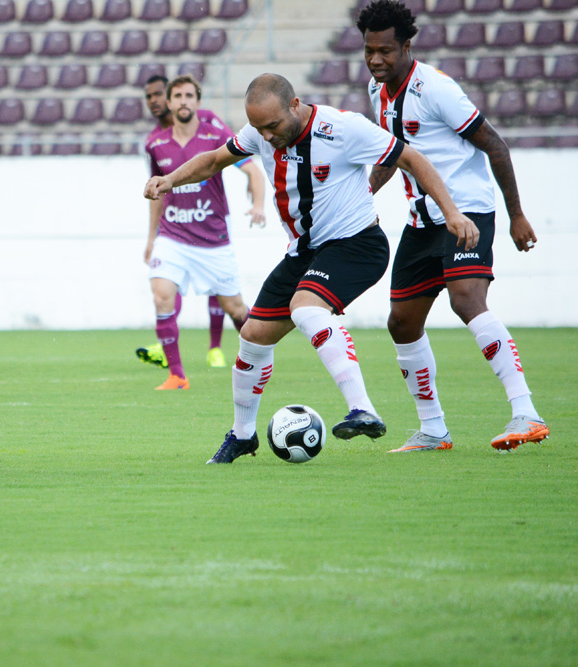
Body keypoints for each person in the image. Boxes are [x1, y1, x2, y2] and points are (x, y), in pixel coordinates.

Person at [144, 73, 480, 463]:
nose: (266, 137)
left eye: (272, 126)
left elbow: (411, 158)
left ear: (294, 104)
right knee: (252, 336)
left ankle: (362, 408)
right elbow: (215, 161)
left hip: (358, 244)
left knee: (305, 307)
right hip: (304, 252)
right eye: (258, 129)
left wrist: (451, 212)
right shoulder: (259, 133)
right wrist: (170, 179)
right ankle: (242, 435)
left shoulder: (343, 128)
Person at [357, 0, 549, 453]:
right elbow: (396, 152)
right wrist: (364, 195)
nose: (376, 59)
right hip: (422, 221)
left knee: (466, 300)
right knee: (401, 322)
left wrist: (516, 214)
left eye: (385, 50)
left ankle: (526, 412)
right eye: (369, 50)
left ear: (406, 45)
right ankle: (433, 429)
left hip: (466, 212)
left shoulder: (437, 88)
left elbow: (494, 145)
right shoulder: (375, 89)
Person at [136, 75, 266, 370]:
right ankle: (177, 376)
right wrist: (152, 237)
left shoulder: (214, 136)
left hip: (212, 238)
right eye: (178, 96)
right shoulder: (154, 143)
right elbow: (158, 193)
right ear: (170, 103)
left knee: (234, 308)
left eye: (189, 96)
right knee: (161, 296)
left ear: (197, 101)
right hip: (173, 234)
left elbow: (253, 171)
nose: (183, 101)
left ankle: (259, 353)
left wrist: (258, 205)